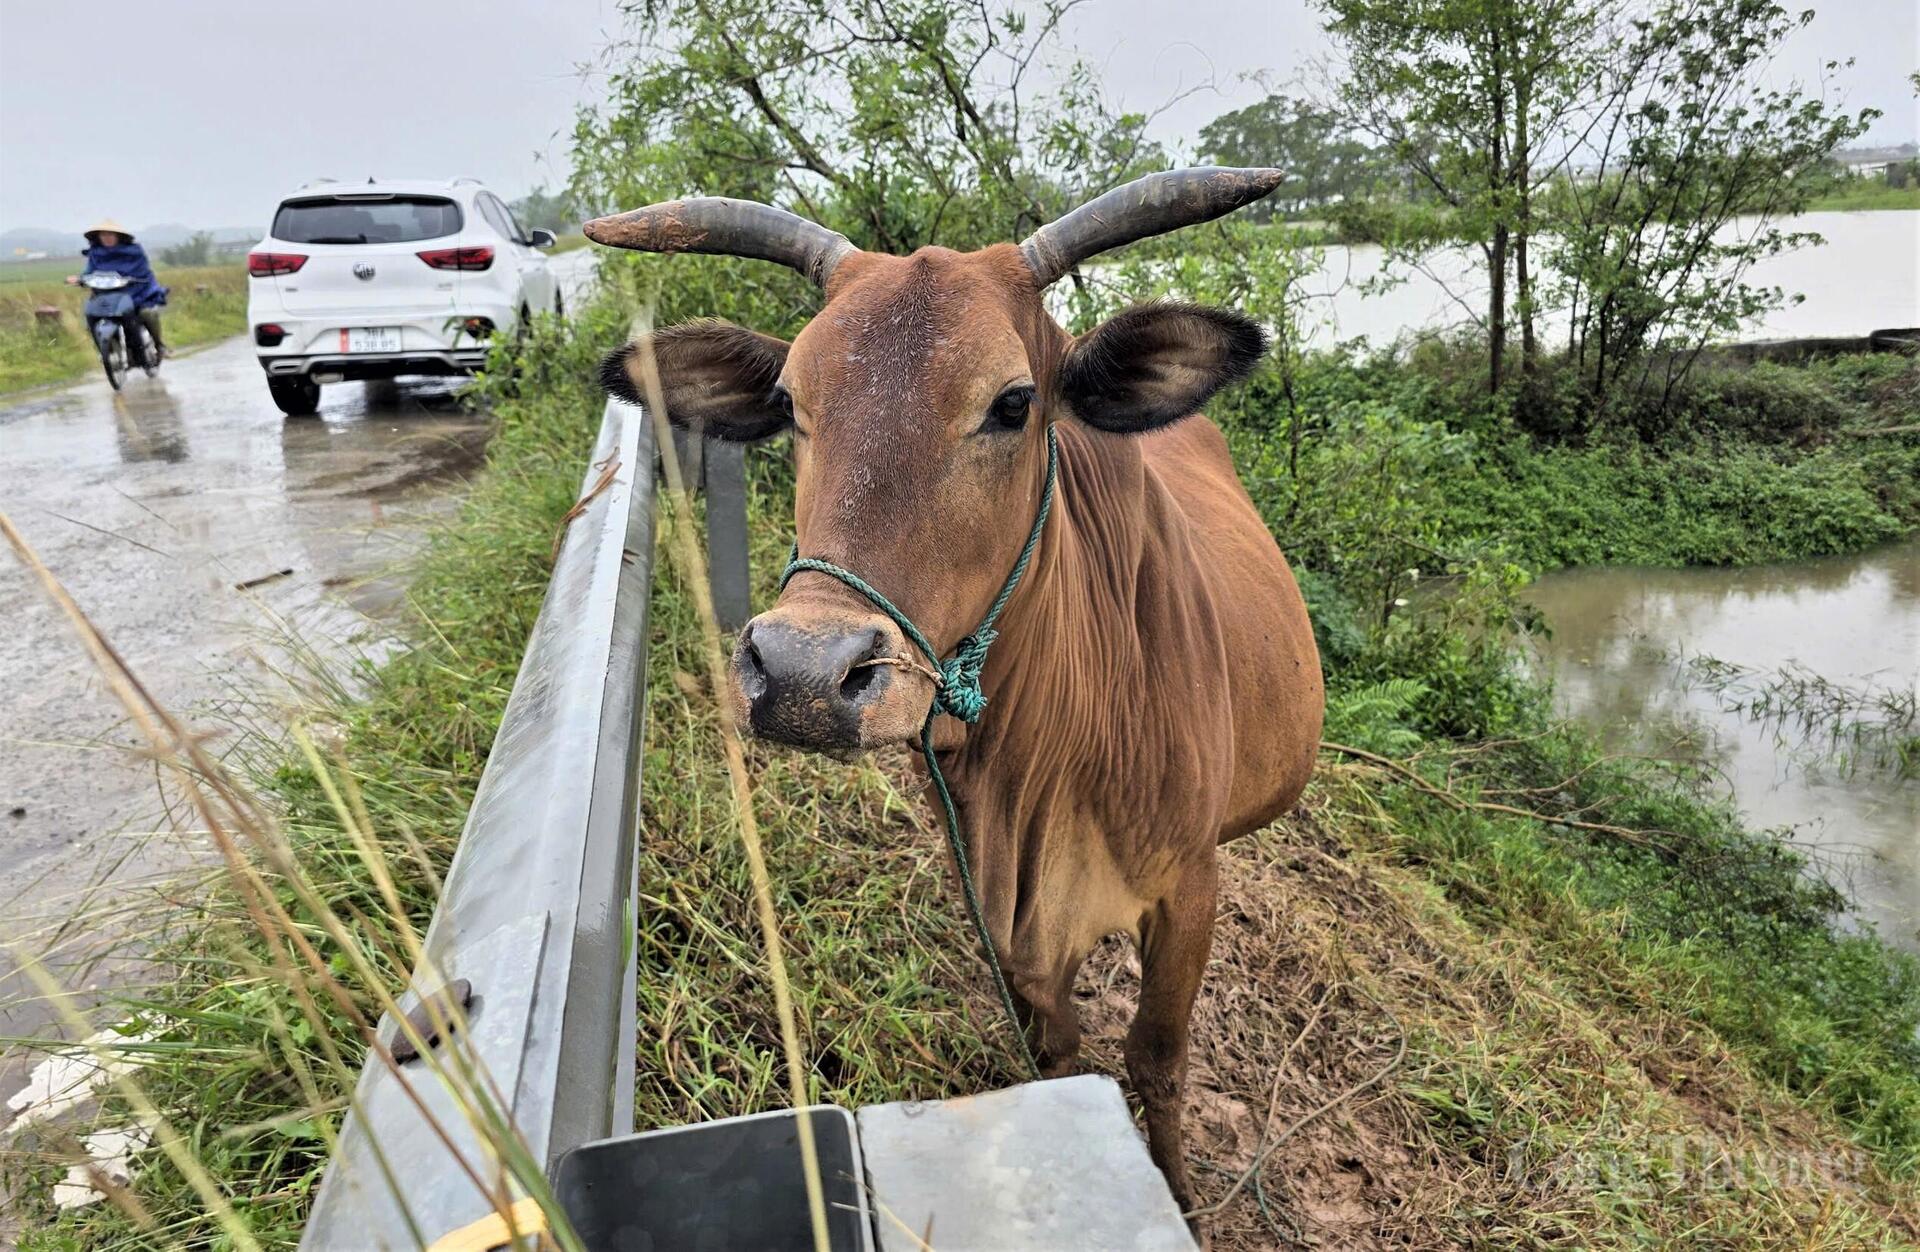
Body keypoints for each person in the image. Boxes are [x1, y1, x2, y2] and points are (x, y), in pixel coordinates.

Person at [66, 217, 168, 357]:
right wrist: (80, 279)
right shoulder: (96, 253)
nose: (106, 238)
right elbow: (90, 271)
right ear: (98, 237)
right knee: (90, 315)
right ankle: (104, 350)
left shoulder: (134, 252)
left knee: (147, 313)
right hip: (105, 295)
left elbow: (142, 272)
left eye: (110, 234)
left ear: (118, 236)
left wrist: (133, 279)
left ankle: (158, 345)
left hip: (135, 292)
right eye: (103, 235)